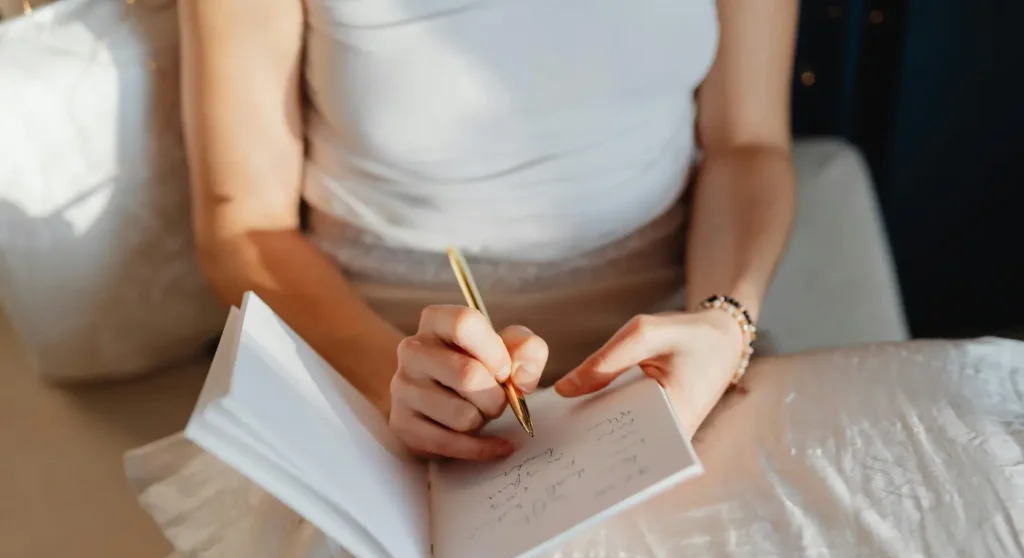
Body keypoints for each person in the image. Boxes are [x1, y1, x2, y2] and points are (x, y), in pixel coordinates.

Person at [179, 0, 904, 461]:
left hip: (663, 347)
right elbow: (241, 221)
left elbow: (747, 145)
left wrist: (724, 323)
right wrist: (384, 378)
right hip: (378, 354)